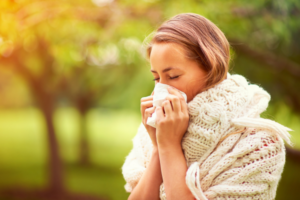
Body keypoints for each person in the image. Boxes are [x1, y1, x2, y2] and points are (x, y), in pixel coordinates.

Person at [122, 13, 292, 200]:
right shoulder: (154, 131)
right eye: (156, 78)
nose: (162, 89)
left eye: (173, 76)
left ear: (211, 68)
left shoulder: (260, 143)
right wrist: (158, 147)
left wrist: (170, 147)